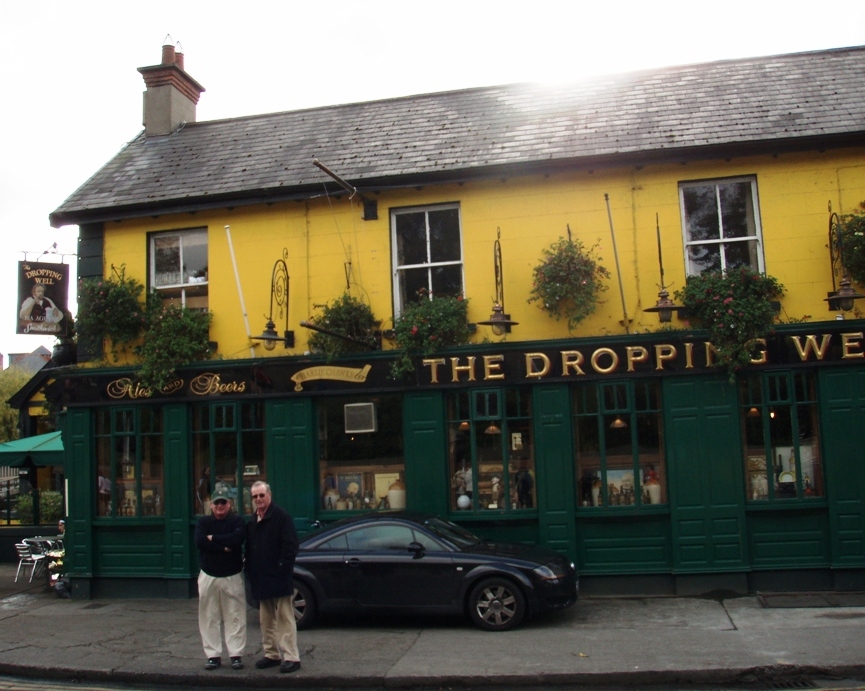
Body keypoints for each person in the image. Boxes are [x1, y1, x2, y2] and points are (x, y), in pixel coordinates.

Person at [245, 481, 301, 674]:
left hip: (278, 577)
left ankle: (292, 657)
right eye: (255, 497)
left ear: (269, 495)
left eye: (261, 495)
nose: (258, 499)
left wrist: (281, 568)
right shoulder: (253, 520)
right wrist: (250, 572)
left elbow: (291, 546)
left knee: (285, 618)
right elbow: (250, 549)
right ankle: (271, 654)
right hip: (261, 578)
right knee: (266, 619)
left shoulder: (281, 516)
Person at [194, 487, 247, 671]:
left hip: (232, 575)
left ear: (229, 504)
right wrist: (223, 547)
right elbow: (200, 542)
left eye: (223, 502)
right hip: (208, 574)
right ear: (211, 504)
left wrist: (213, 539)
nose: (219, 506)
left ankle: (236, 654)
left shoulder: (237, 521)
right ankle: (213, 655)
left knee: (235, 616)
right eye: (216, 502)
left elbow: (237, 539)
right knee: (209, 616)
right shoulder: (203, 522)